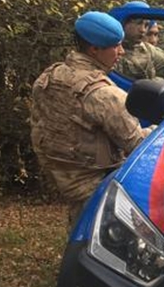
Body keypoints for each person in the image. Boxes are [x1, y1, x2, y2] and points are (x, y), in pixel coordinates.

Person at [31, 12, 146, 226]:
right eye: (116, 46)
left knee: (78, 235)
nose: (121, 52)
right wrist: (158, 130)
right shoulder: (104, 95)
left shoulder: (48, 77)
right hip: (98, 188)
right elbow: (139, 146)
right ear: (94, 49)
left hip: (63, 179)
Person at [109, 0, 164, 85]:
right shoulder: (108, 49)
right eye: (138, 23)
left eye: (146, 25)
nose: (143, 30)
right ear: (124, 23)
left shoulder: (147, 49)